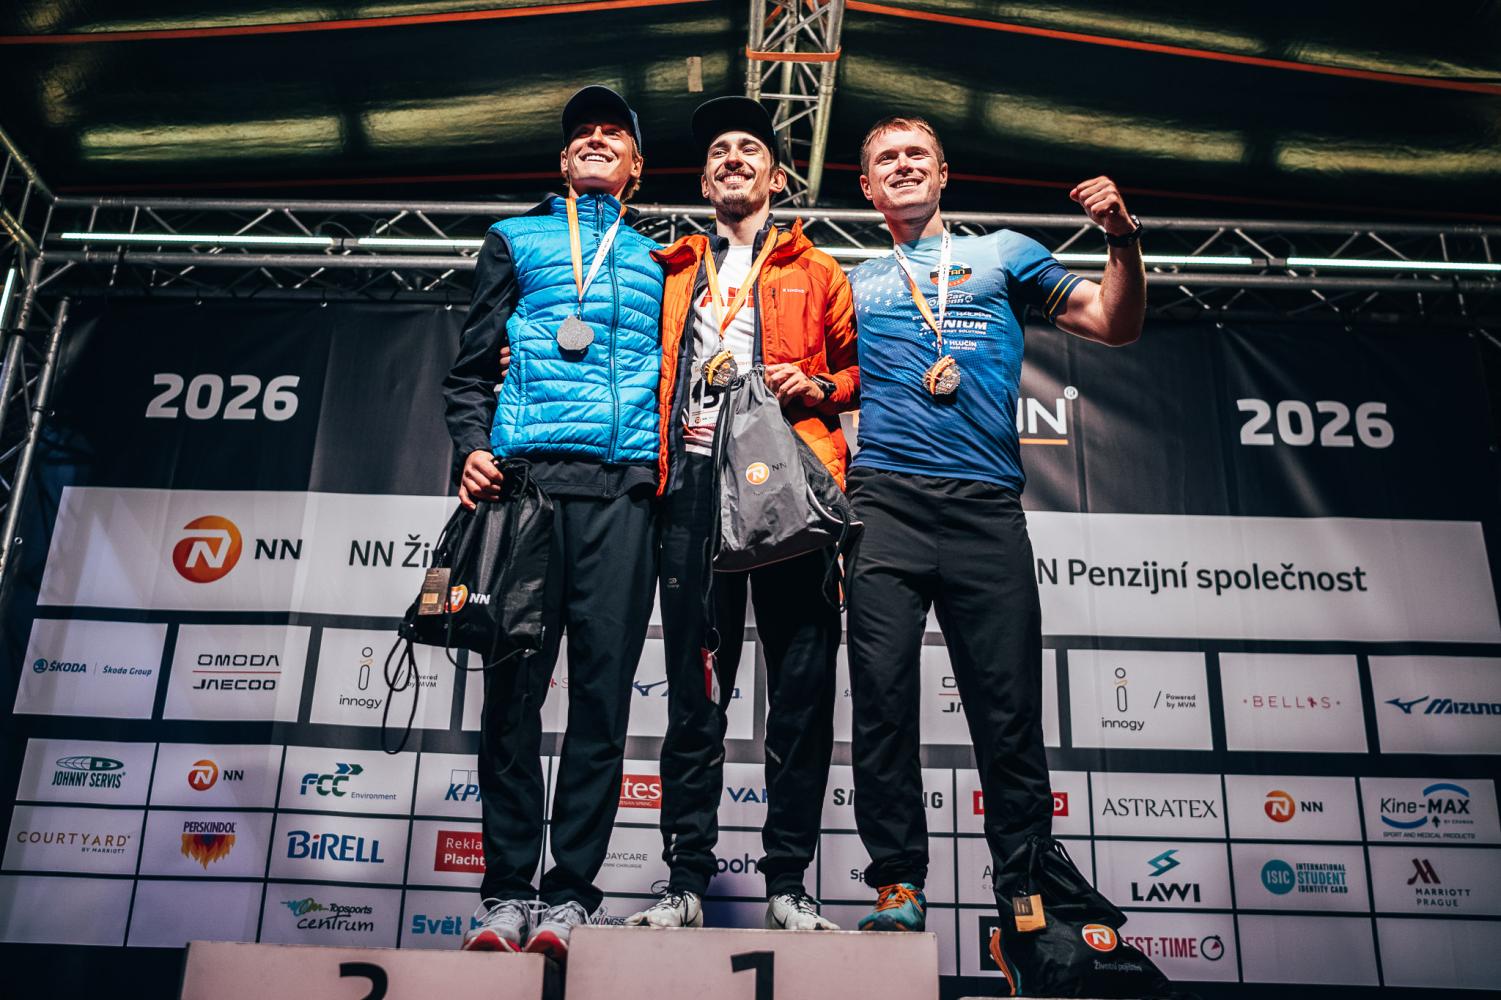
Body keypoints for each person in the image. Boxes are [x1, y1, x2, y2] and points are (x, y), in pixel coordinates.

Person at [843, 116, 1144, 938]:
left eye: (916, 155)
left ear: (943, 174)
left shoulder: (1004, 253)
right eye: (885, 160)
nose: (902, 166)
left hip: (983, 506)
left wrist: (1120, 239)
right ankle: (896, 885)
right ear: (866, 188)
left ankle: (1025, 895)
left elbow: (1113, 323)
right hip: (883, 503)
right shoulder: (852, 281)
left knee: (1007, 714)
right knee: (881, 705)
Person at [622, 97, 859, 931]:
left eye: (749, 148)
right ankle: (684, 883)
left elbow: (859, 373)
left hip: (788, 485)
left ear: (776, 177)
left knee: (799, 696)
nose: (732, 157)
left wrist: (817, 386)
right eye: (719, 149)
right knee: (695, 700)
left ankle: (787, 885)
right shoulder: (667, 268)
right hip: (690, 487)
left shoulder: (819, 270)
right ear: (703, 180)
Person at [442, 85, 664, 960]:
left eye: (614, 133)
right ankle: (505, 893)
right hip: (525, 488)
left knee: (602, 704)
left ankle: (569, 896)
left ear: (637, 166)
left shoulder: (665, 258)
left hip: (624, 494)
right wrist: (471, 445)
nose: (596, 140)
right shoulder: (514, 237)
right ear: (563, 161)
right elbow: (470, 368)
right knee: (511, 700)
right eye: (582, 134)